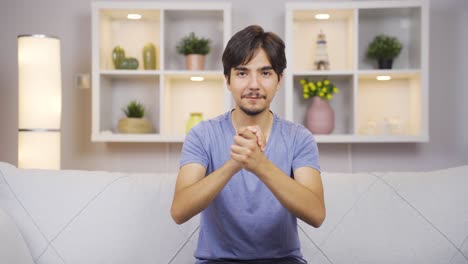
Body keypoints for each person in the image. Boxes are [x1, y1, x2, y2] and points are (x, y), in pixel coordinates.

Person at [170, 25, 326, 264]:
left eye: (265, 73)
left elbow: (316, 214)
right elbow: (179, 211)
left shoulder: (299, 137)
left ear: (279, 79)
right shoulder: (202, 135)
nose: (254, 85)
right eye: (242, 73)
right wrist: (235, 163)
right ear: (227, 80)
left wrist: (260, 164)